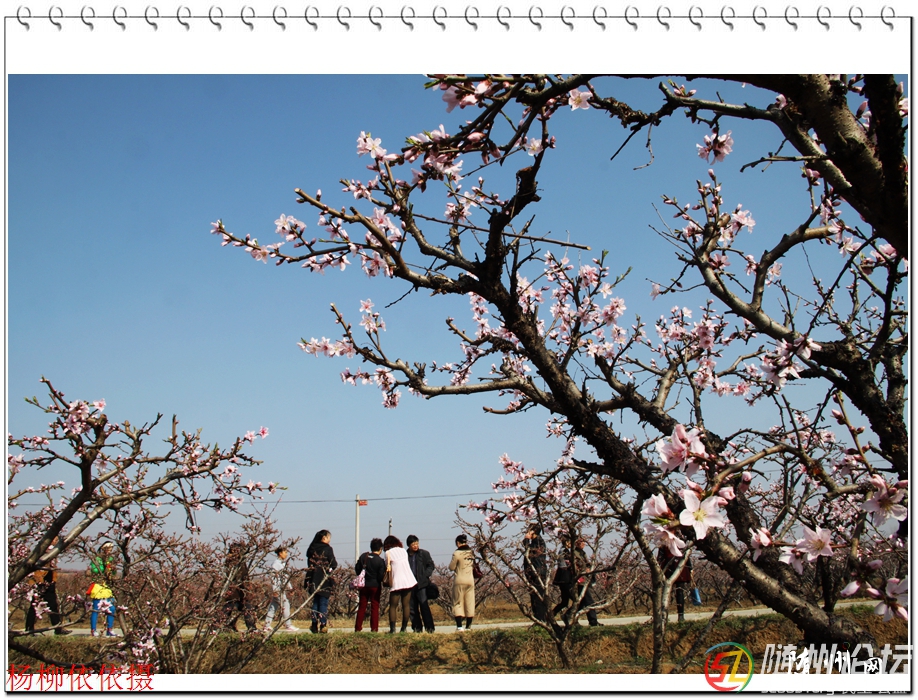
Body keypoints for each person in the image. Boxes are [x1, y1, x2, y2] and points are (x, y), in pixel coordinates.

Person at [26, 538, 70, 635]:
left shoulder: (53, 553)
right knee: (34, 606)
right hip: (39, 583)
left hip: (49, 583)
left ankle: (58, 629)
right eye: (54, 539)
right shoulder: (40, 552)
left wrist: (54, 580)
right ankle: (29, 629)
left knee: (53, 606)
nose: (56, 541)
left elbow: (53, 568)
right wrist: (39, 581)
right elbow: (36, 570)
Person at [382, 535, 416, 634]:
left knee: (393, 606)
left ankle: (392, 629)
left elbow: (386, 566)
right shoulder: (403, 551)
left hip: (396, 581)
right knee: (406, 605)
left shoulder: (388, 553)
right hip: (408, 580)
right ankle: (404, 628)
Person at [305, 530, 337, 634]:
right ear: (324, 538)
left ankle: (314, 624)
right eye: (328, 537)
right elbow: (334, 564)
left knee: (315, 602)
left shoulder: (312, 549)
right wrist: (328, 571)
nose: (329, 539)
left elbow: (309, 564)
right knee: (323, 602)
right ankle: (323, 624)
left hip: (313, 579)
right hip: (324, 579)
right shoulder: (327, 549)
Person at [221, 541, 257, 633]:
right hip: (235, 589)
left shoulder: (239, 561)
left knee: (243, 607)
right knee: (229, 608)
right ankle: (217, 626)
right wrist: (244, 585)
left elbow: (244, 575)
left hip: (240, 589)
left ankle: (231, 626)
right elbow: (239, 576)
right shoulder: (233, 562)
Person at [87, 541, 119, 637]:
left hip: (107, 586)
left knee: (112, 608)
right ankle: (93, 630)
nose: (109, 550)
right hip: (98, 585)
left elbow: (113, 573)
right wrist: (105, 567)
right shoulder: (97, 558)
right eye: (108, 548)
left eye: (111, 549)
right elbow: (95, 570)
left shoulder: (111, 559)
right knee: (96, 608)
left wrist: (113, 570)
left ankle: (109, 629)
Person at [354, 538, 386, 632]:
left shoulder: (364, 556)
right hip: (375, 586)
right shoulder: (380, 561)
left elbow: (357, 569)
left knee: (362, 607)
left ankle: (358, 628)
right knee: (375, 607)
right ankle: (374, 629)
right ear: (380, 549)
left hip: (363, 585)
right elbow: (380, 577)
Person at [264, 545, 298, 632]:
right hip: (278, 589)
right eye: (285, 552)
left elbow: (285, 578)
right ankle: (288, 625)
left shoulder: (282, 564)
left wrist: (290, 588)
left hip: (281, 589)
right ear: (280, 553)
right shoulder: (276, 564)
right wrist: (275, 589)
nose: (286, 554)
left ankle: (267, 625)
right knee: (286, 605)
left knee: (273, 607)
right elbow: (273, 577)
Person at [406, 535, 436, 633]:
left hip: (421, 584)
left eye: (417, 543)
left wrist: (425, 575)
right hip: (409, 584)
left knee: (424, 606)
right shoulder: (405, 555)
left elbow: (431, 565)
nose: (416, 546)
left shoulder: (424, 554)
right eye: (413, 544)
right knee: (412, 608)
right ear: (409, 545)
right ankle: (417, 628)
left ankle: (429, 628)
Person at [448, 534, 476, 632]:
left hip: (459, 580)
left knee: (457, 602)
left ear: (458, 543)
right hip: (470, 580)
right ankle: (468, 627)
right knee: (470, 602)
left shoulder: (457, 553)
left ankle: (459, 626)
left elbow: (451, 567)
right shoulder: (471, 553)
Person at [658, 547, 693, 623]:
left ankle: (679, 616)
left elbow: (686, 554)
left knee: (675, 592)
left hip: (675, 565)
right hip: (674, 565)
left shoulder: (665, 542)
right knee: (674, 592)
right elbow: (660, 556)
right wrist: (690, 567)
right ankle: (671, 616)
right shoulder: (665, 543)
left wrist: (690, 567)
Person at [522, 524, 549, 623]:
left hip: (538, 572)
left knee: (538, 597)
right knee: (534, 596)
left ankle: (541, 619)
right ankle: (538, 619)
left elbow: (529, 550)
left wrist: (526, 539)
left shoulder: (538, 541)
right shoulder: (534, 542)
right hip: (533, 572)